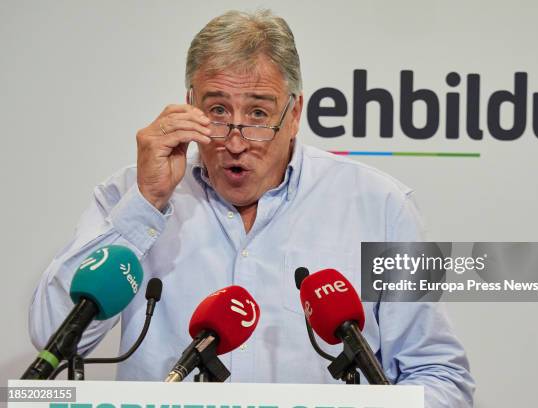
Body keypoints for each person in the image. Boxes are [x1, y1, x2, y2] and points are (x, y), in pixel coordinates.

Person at [29, 9, 475, 407]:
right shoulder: (130, 193)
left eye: (259, 115)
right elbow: (51, 339)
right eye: (218, 111)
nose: (236, 143)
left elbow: (439, 376)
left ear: (295, 112)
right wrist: (146, 204)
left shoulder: (381, 206)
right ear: (190, 107)